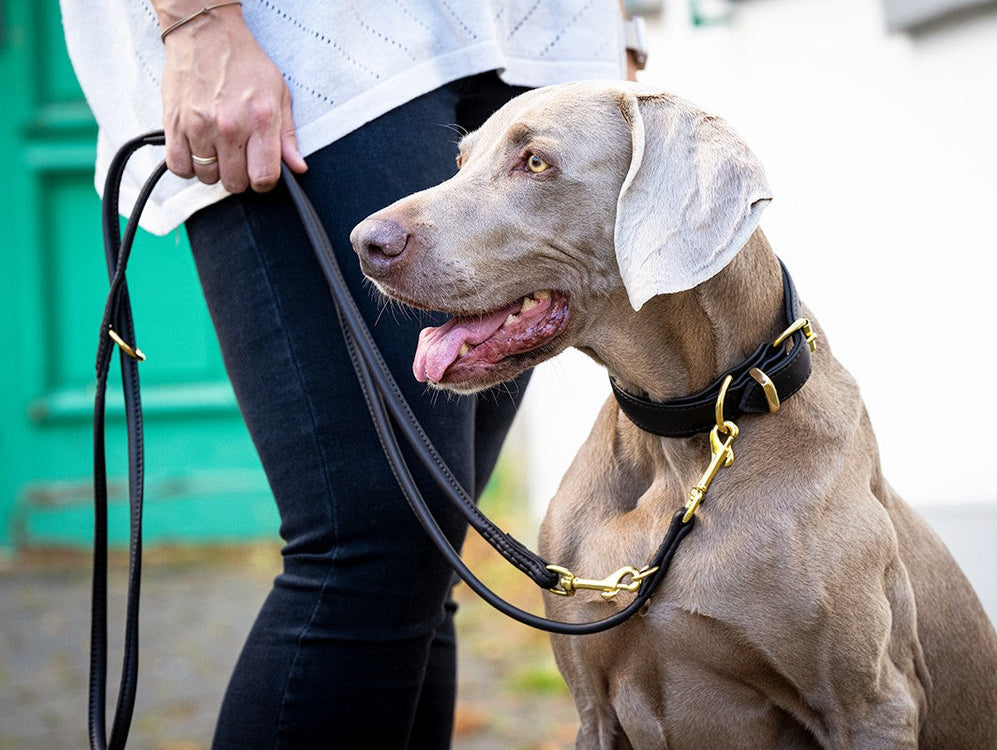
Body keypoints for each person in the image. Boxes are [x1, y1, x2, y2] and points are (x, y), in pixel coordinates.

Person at [61, 1, 640, 747]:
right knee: (371, 544)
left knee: (424, 555)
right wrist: (198, 22)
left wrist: (618, 21)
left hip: (536, 30)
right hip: (317, 42)